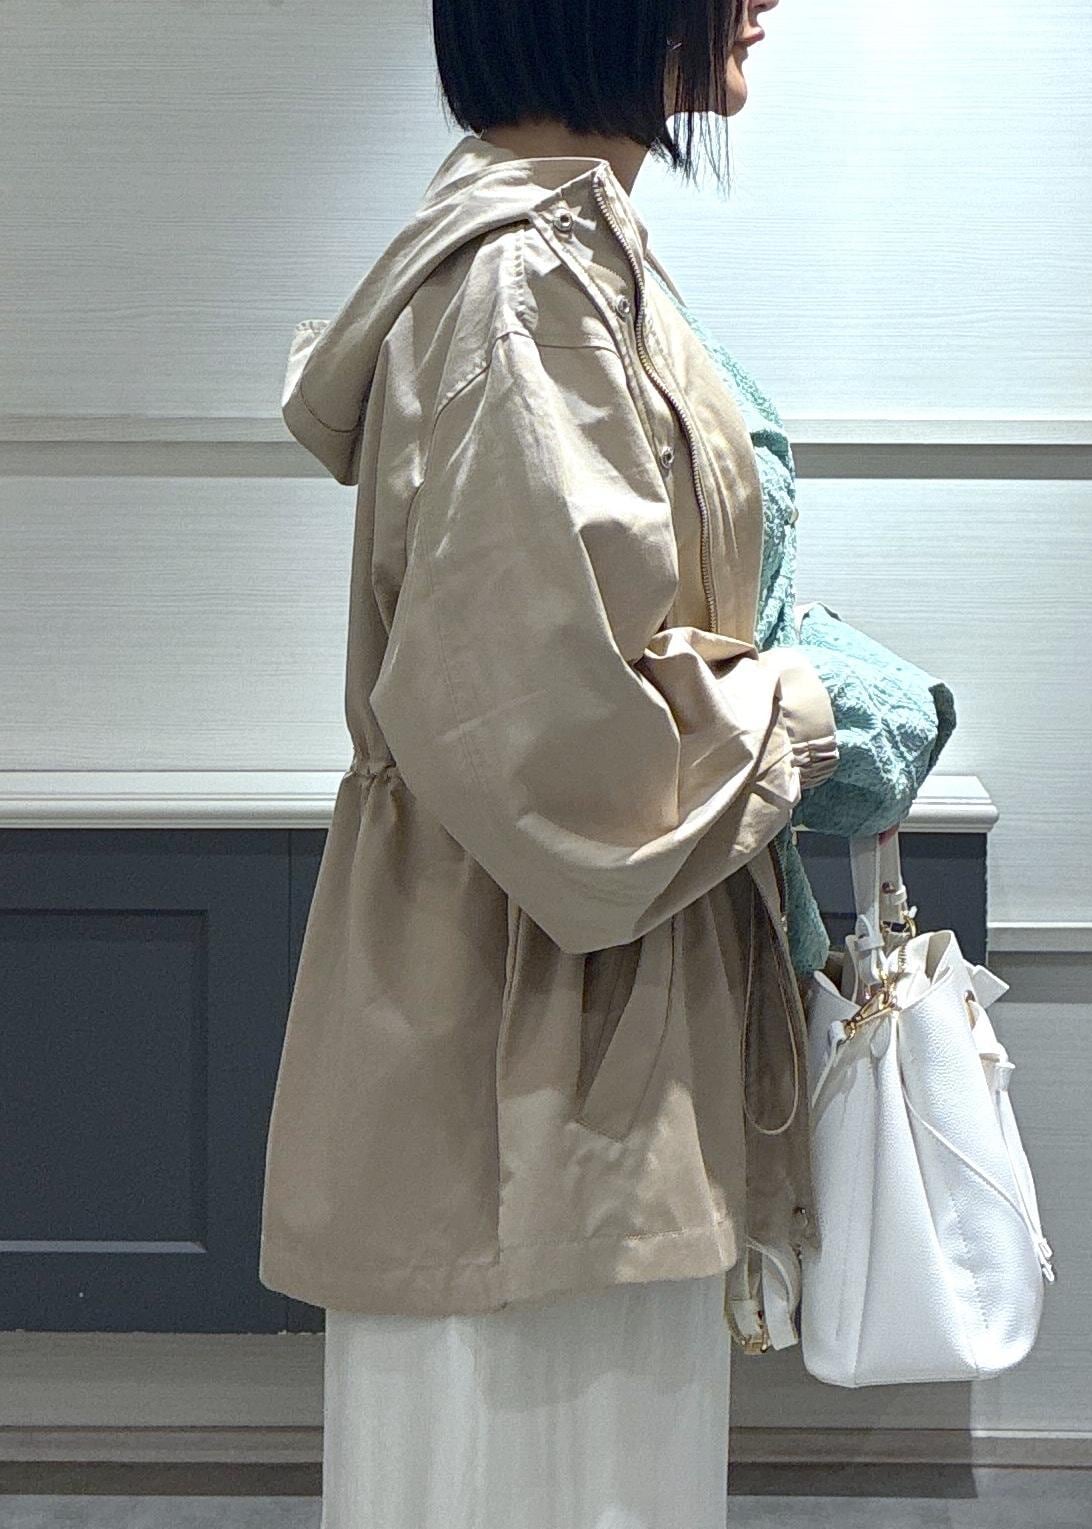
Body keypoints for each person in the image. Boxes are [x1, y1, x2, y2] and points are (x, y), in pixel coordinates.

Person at [259, 1, 926, 1523]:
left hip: (569, 1045)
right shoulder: (524, 289)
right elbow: (561, 753)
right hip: (537, 1062)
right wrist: (807, 704)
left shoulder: (567, 256)